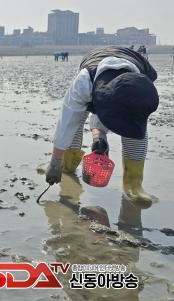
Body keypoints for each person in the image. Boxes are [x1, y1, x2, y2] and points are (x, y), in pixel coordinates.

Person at [45, 46, 159, 206]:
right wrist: (55, 161)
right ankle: (67, 165)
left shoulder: (144, 81)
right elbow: (67, 123)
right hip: (95, 71)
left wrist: (100, 137)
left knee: (134, 128)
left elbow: (130, 120)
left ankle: (133, 183)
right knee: (76, 122)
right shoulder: (83, 83)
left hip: (131, 76)